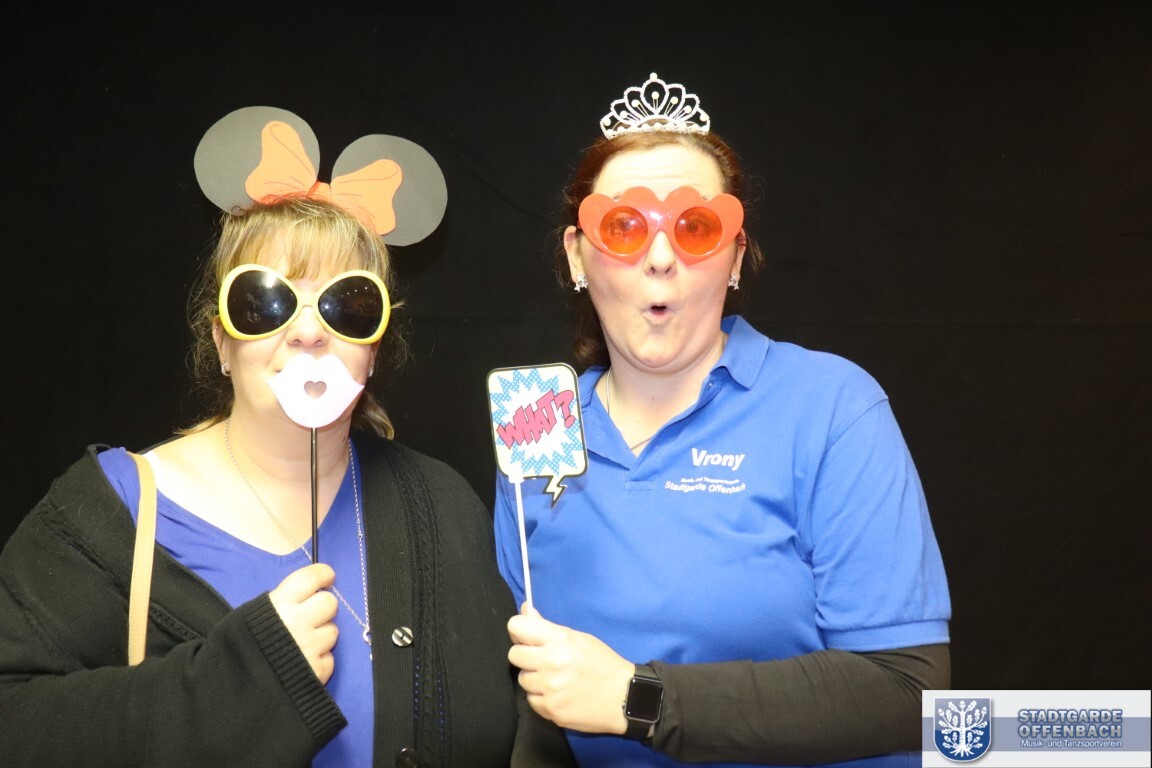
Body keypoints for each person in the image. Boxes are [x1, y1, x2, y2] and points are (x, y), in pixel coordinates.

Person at [0, 109, 572, 767]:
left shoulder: (442, 506)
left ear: (373, 349)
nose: (306, 332)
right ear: (220, 342)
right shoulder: (110, 513)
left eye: (347, 305)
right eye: (265, 303)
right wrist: (244, 677)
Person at [494, 73, 952, 767]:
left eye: (695, 228)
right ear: (577, 255)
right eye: (623, 227)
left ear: (734, 258)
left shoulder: (830, 406)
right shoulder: (537, 424)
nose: (659, 259)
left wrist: (637, 698)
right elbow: (533, 701)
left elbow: (908, 691)